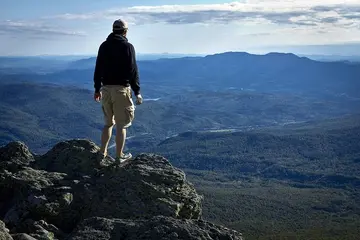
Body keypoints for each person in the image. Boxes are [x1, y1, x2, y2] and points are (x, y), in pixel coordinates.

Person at [93, 19, 143, 163]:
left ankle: (102, 152)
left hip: (105, 89)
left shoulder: (104, 46)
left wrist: (97, 89)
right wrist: (137, 91)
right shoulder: (127, 46)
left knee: (108, 123)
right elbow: (133, 70)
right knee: (121, 125)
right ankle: (119, 156)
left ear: (113, 30)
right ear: (125, 31)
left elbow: (98, 69)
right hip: (121, 89)